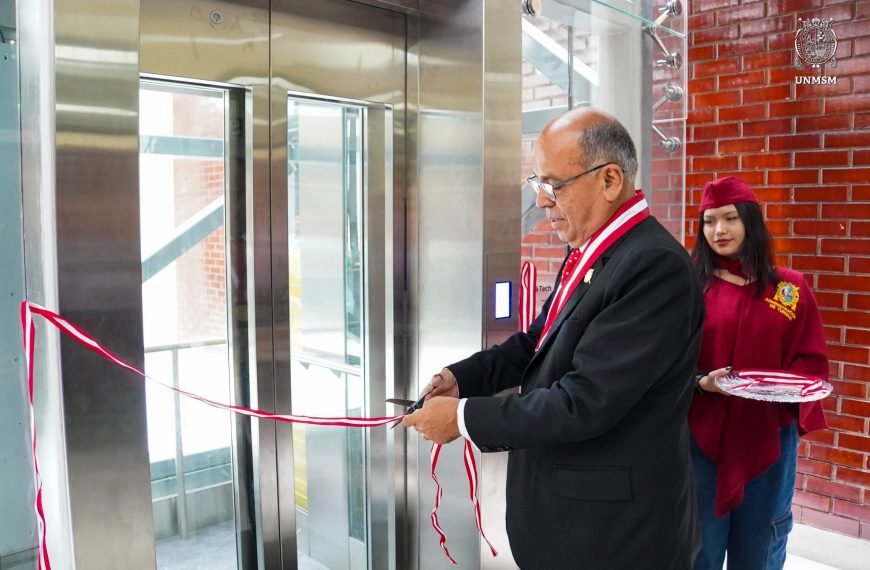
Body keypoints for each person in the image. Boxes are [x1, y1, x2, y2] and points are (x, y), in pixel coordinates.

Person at [403, 107, 704, 569]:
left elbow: (584, 402)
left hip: (614, 538)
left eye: (553, 185)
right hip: (570, 521)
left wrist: (463, 419)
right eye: (536, 184)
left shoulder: (652, 266)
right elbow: (536, 344)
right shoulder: (592, 253)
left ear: (609, 180)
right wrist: (460, 379)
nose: (542, 202)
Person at [688, 176, 829, 570]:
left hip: (768, 438)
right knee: (700, 545)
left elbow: (811, 361)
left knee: (763, 542)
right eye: (709, 221)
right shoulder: (689, 287)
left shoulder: (790, 289)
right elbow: (668, 361)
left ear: (750, 220)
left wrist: (785, 390)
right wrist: (701, 382)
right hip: (700, 437)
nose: (719, 230)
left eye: (730, 218)